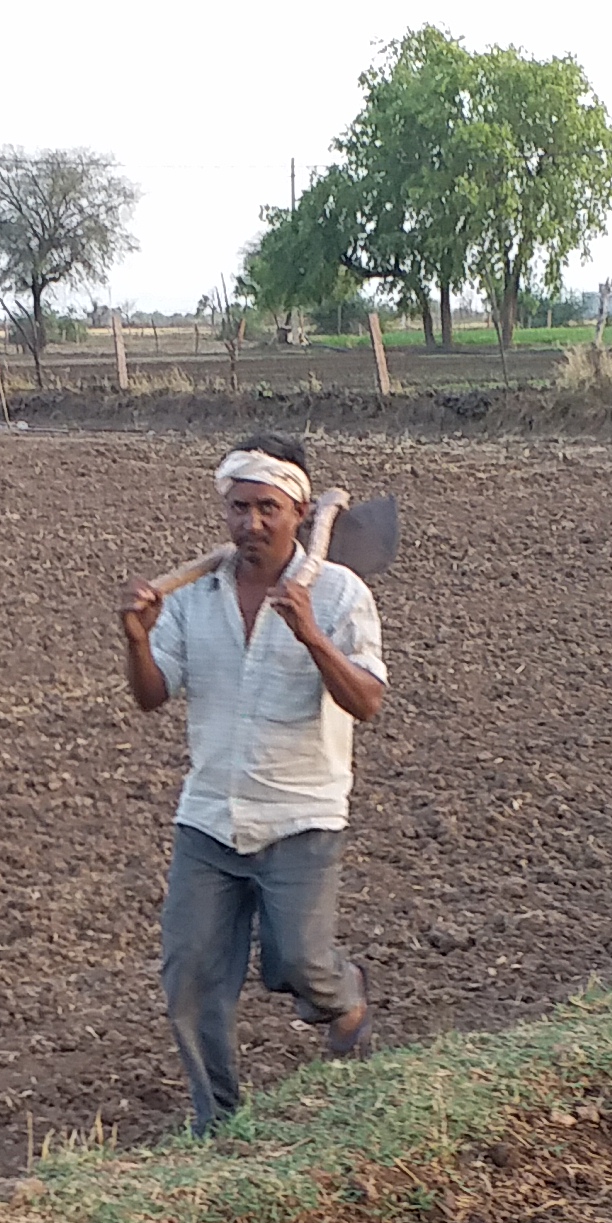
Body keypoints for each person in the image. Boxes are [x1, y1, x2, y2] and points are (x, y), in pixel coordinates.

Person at [117, 433, 385, 1129]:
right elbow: (153, 696)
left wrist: (312, 637)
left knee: (298, 959)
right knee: (189, 978)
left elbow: (367, 702)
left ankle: (342, 995)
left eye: (267, 507)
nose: (250, 523)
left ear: (298, 512)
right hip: (208, 815)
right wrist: (139, 640)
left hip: (301, 813)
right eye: (239, 508)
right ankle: (219, 1123)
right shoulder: (195, 597)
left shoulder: (338, 595)